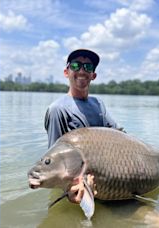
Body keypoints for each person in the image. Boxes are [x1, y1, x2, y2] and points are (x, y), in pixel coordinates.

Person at [44, 49, 123, 203]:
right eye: (76, 65)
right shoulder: (57, 109)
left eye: (87, 67)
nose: (81, 70)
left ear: (93, 75)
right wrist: (69, 190)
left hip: (109, 180)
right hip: (80, 187)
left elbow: (119, 134)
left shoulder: (98, 103)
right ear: (66, 72)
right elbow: (54, 160)